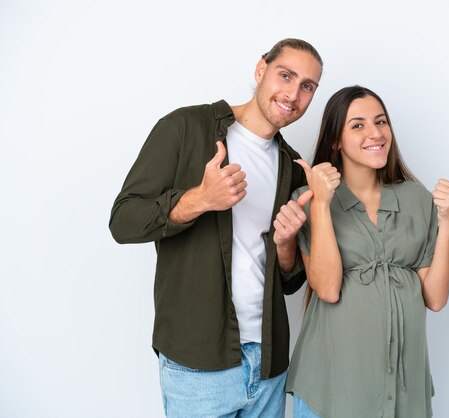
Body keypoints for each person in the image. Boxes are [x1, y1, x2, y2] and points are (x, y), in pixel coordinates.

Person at [109, 38, 323, 417]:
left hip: (270, 364)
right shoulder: (187, 127)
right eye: (285, 75)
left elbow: (289, 280)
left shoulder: (292, 165)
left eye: (307, 86)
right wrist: (200, 200)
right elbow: (123, 220)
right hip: (198, 366)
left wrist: (286, 244)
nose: (293, 94)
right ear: (261, 70)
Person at [285, 85, 449, 418]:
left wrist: (448, 222)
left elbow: (436, 298)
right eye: (358, 125)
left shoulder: (416, 198)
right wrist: (322, 204)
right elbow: (326, 288)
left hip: (401, 389)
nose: (375, 133)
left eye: (381, 122)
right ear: (335, 140)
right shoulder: (308, 199)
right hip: (331, 387)